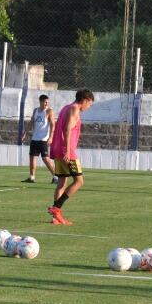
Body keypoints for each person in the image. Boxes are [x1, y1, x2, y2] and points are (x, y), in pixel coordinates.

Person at [47, 89, 95, 225]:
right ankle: (57, 208)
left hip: (57, 149)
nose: (88, 107)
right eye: (89, 104)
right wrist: (68, 151)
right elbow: (67, 129)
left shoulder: (65, 107)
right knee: (79, 182)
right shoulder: (74, 109)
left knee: (62, 183)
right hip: (66, 151)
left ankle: (55, 218)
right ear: (85, 100)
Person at [21, 94, 56, 183]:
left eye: (48, 102)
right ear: (40, 101)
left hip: (44, 139)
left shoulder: (49, 111)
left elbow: (52, 125)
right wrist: (25, 133)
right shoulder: (36, 110)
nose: (46, 103)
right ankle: (32, 177)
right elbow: (31, 122)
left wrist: (51, 137)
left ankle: (56, 177)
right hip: (35, 139)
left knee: (45, 158)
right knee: (32, 157)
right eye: (45, 102)